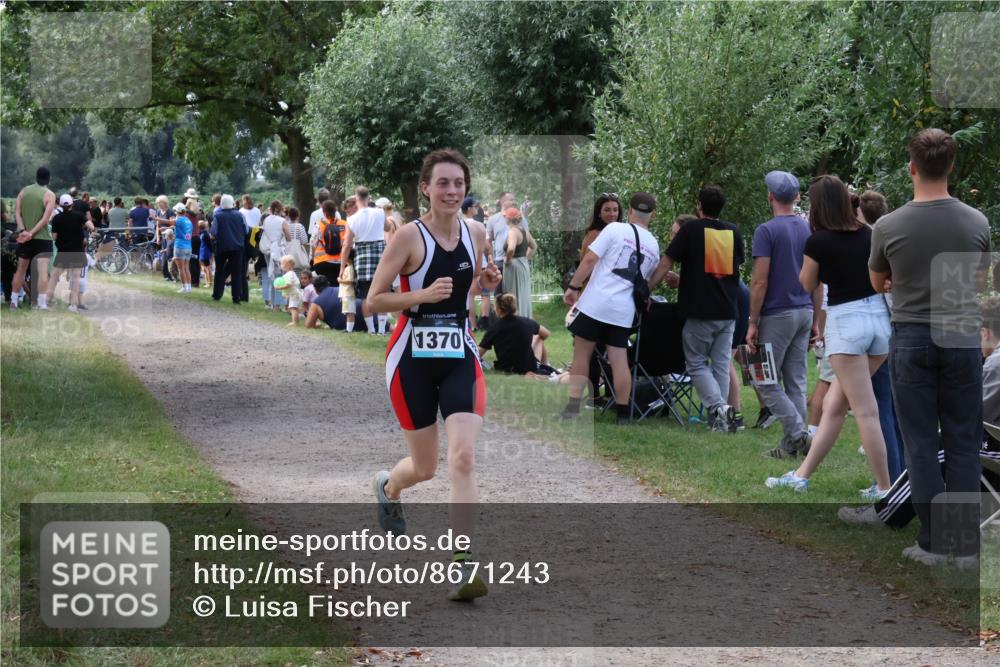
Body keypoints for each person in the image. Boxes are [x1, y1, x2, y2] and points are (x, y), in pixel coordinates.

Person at [366, 149, 500, 601]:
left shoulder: (476, 232)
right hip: (410, 358)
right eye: (442, 183)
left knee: (462, 458)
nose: (452, 191)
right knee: (424, 467)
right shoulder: (407, 237)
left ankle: (462, 565)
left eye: (458, 183)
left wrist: (487, 282)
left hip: (458, 352)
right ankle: (389, 486)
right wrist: (419, 294)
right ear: (426, 188)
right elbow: (373, 301)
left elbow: (471, 284)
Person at [868, 128, 990, 564]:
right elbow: (978, 280)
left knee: (920, 442)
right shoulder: (977, 222)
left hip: (913, 336)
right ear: (951, 167)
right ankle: (963, 546)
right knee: (962, 440)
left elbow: (878, 281)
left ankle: (934, 543)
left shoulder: (888, 224)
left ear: (912, 168)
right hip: (960, 336)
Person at [837, 296, 1000, 571]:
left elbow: (971, 414)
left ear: (983, 332)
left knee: (939, 447)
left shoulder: (996, 364)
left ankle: (887, 513)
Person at [765, 175, 892, 497]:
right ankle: (801, 475)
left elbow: (806, 285)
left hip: (847, 325)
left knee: (865, 412)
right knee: (835, 406)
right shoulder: (869, 234)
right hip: (880, 324)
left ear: (819, 205)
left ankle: (884, 487)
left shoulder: (818, 241)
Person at [650, 186, 744, 433]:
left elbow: (666, 262)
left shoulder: (691, 229)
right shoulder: (733, 232)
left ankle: (717, 408)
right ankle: (721, 421)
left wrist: (647, 288)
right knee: (722, 365)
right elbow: (720, 271)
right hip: (728, 310)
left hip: (701, 311)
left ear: (699, 206)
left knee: (696, 363)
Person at [562, 192, 661, 425]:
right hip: (623, 310)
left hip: (596, 303)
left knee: (582, 354)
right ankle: (624, 413)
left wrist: (573, 286)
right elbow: (645, 279)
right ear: (653, 215)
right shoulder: (653, 245)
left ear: (628, 210)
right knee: (619, 360)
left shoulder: (614, 229)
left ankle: (573, 407)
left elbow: (589, 260)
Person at [746, 171, 819, 458]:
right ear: (797, 197)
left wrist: (752, 322)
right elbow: (817, 278)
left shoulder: (767, 230)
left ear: (770, 196)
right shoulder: (806, 229)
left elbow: (760, 281)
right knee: (796, 380)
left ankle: (799, 433)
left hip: (778, 314)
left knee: (763, 378)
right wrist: (815, 319)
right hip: (804, 310)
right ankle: (790, 449)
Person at [578, 194, 623, 408]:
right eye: (607, 209)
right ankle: (594, 396)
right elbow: (587, 265)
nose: (612, 214)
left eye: (615, 209)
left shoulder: (619, 233)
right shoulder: (596, 234)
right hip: (593, 299)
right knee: (594, 352)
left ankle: (608, 395)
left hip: (608, 301)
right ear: (599, 212)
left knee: (605, 351)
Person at [340, 186, 390, 335]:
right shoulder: (380, 212)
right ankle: (382, 330)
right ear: (369, 198)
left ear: (356, 199)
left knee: (365, 296)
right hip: (381, 254)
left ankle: (371, 330)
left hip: (362, 257)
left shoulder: (352, 219)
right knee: (383, 293)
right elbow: (387, 228)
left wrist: (342, 267)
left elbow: (347, 245)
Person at [11, 167, 57, 309]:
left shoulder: (23, 191)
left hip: (24, 238)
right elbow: (45, 219)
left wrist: (23, 230)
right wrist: (32, 233)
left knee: (21, 270)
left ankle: (13, 301)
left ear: (36, 177)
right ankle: (41, 304)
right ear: (49, 178)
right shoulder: (50, 195)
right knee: (43, 271)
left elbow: (17, 213)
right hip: (42, 238)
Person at [479, 293, 557, 376]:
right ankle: (544, 365)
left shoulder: (494, 329)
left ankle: (543, 365)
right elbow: (546, 333)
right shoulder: (527, 322)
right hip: (528, 368)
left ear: (498, 309)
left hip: (506, 369)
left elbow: (479, 353)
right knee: (539, 337)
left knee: (537, 337)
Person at [45, 193, 94, 311]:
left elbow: (54, 237)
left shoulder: (57, 218)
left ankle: (46, 301)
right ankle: (72, 305)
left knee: (54, 277)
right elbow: (91, 227)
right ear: (72, 204)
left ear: (61, 205)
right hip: (77, 251)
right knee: (75, 278)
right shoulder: (79, 216)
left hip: (63, 252)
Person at [501, 206, 537, 320]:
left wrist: (507, 260)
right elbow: (534, 246)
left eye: (505, 216)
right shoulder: (524, 231)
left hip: (513, 266)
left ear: (508, 218)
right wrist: (525, 258)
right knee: (523, 293)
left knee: (513, 294)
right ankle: (525, 320)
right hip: (523, 264)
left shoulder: (512, 232)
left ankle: (515, 321)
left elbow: (511, 248)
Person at [210, 194, 247, 304]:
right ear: (232, 204)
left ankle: (217, 294)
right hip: (237, 247)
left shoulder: (217, 215)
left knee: (219, 270)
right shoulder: (239, 215)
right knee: (236, 272)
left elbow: (213, 232)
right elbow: (246, 230)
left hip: (221, 246)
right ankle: (236, 298)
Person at [260, 200, 291, 310]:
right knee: (280, 276)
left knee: (271, 274)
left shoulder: (266, 220)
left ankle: (272, 302)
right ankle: (277, 305)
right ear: (281, 209)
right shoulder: (282, 221)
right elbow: (288, 237)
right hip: (279, 250)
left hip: (268, 250)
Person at [312, 200, 345, 282]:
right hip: (341, 262)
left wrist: (312, 259)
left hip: (322, 262)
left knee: (324, 287)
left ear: (324, 212)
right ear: (335, 211)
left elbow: (313, 243)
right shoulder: (344, 224)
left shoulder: (319, 225)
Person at [171, 202, 194, 292]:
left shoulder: (179, 220)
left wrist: (156, 218)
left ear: (177, 211)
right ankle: (189, 287)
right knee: (186, 268)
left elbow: (169, 222)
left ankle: (184, 287)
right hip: (188, 246)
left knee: (181, 269)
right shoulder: (188, 221)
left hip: (180, 246)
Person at [274, 255, 303, 325]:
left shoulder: (289, 274)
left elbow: (289, 285)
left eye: (282, 264)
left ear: (288, 265)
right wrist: (286, 294)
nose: (281, 265)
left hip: (294, 294)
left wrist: (279, 288)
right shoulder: (291, 273)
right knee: (294, 308)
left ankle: (295, 322)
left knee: (293, 308)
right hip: (294, 294)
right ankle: (296, 321)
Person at [339, 249, 358, 332]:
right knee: (347, 311)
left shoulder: (350, 268)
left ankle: (349, 329)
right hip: (346, 293)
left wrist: (340, 280)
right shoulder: (348, 268)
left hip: (348, 293)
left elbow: (351, 281)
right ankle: (348, 328)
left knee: (350, 312)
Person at [199, 219, 214, 289]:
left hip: (205, 253)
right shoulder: (202, 233)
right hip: (203, 252)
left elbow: (209, 244)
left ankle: (209, 282)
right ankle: (207, 281)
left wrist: (211, 252)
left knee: (207, 268)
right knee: (205, 268)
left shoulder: (205, 234)